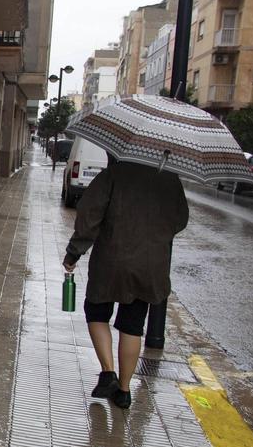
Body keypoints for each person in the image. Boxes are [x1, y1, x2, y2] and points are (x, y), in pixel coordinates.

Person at [62, 156, 189, 409]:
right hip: (150, 264)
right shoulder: (170, 179)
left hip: (111, 259)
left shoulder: (114, 174)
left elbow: (89, 216)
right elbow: (180, 220)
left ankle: (108, 372)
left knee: (96, 310)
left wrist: (74, 253)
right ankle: (124, 390)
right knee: (133, 325)